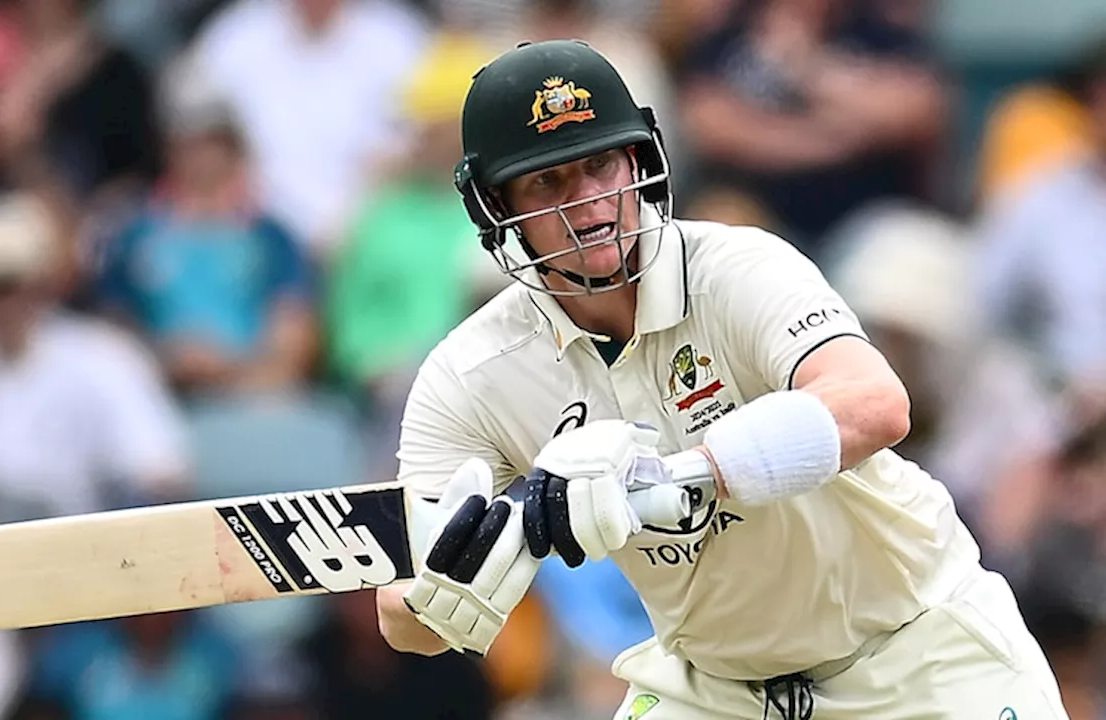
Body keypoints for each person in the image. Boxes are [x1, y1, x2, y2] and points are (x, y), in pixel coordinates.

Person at [373, 39, 1069, 719]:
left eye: (600, 167)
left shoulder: (737, 269)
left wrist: (668, 482)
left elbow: (877, 405)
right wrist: (477, 566)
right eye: (547, 181)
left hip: (919, 654)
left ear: (638, 161)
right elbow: (404, 620)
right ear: (497, 207)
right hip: (712, 688)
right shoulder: (471, 375)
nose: (587, 205)